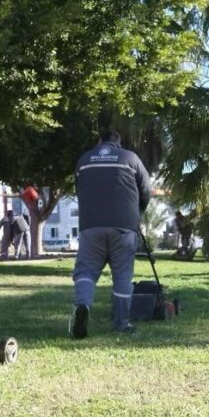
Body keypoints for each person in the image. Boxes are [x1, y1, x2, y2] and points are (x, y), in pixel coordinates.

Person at [69, 130, 151, 338]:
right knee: (122, 275)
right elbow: (146, 189)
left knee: (86, 271)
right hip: (123, 226)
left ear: (99, 141)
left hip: (91, 226)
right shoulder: (130, 158)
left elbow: (79, 189)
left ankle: (83, 306)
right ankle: (121, 324)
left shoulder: (84, 159)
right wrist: (137, 211)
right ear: (119, 143)